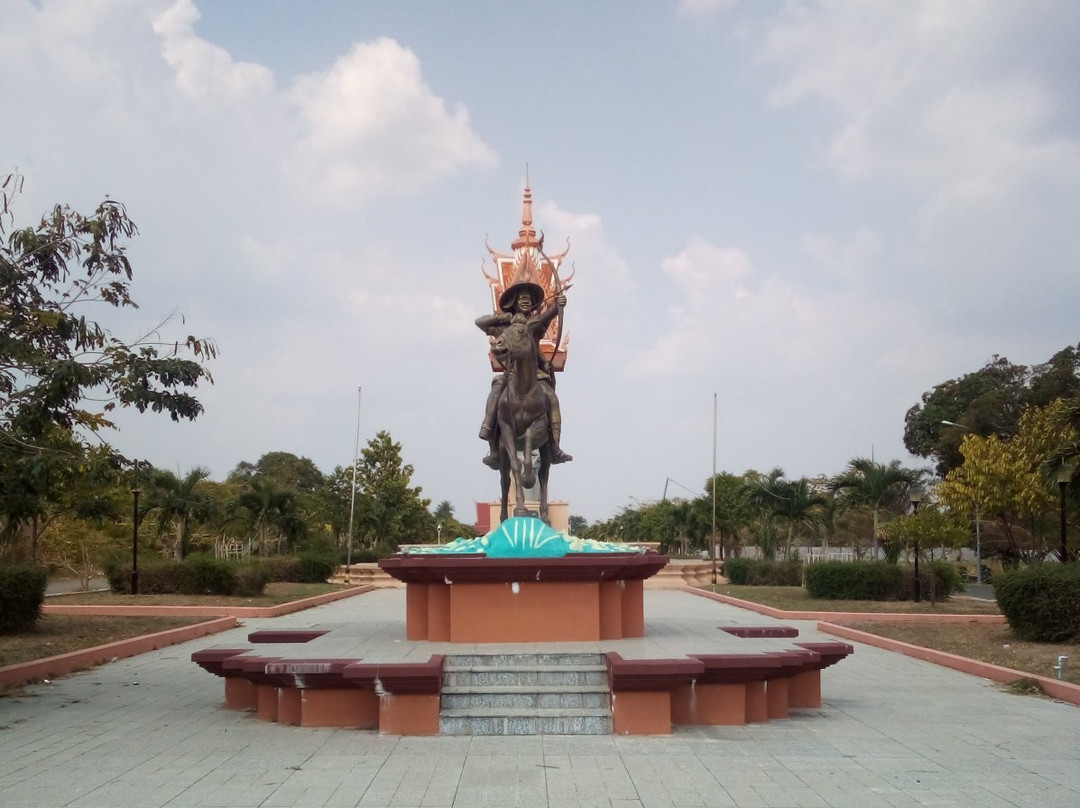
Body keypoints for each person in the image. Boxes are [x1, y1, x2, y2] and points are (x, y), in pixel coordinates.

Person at [476, 282, 572, 468]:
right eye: (522, 299)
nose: (526, 302)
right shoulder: (504, 325)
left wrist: (557, 307)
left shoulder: (535, 324)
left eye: (529, 299)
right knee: (496, 391)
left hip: (535, 374)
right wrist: (504, 317)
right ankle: (492, 442)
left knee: (552, 398)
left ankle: (554, 447)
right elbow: (479, 322)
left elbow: (546, 317)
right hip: (511, 373)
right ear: (514, 302)